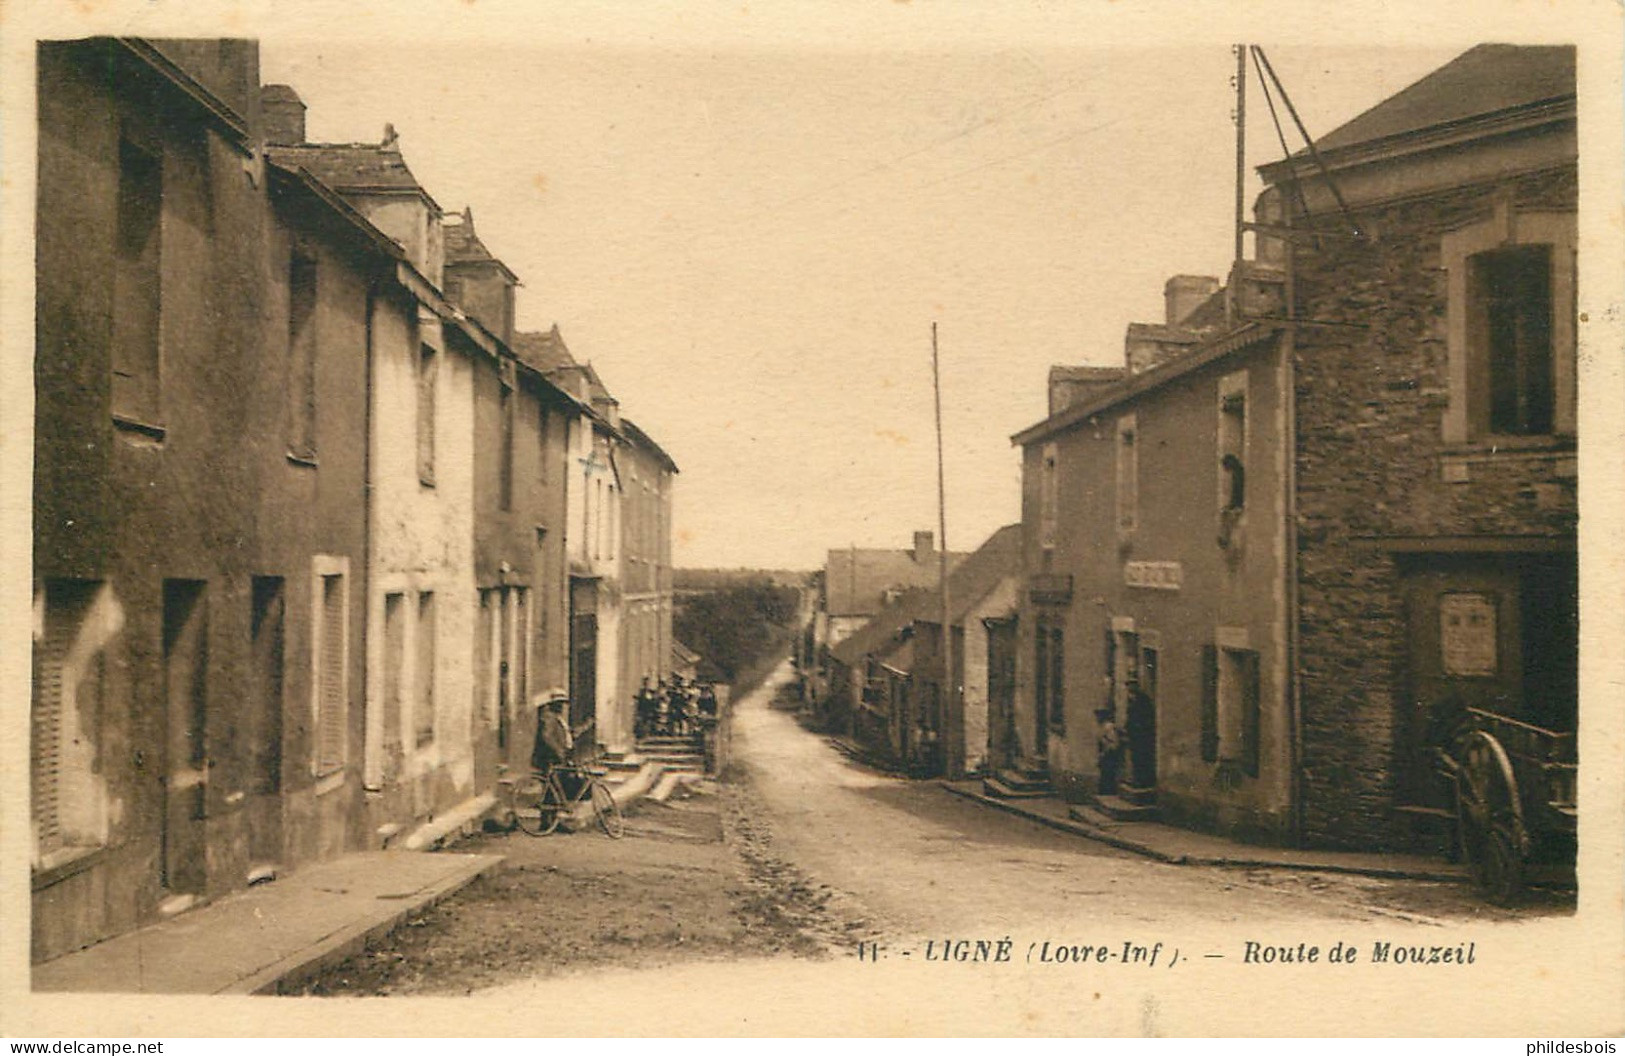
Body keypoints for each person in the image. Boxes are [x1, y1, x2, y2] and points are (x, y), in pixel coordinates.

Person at [531, 688, 592, 799]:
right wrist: (559, 751)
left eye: (562, 703)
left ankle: (554, 808)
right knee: (555, 785)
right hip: (549, 757)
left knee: (557, 786)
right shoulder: (549, 717)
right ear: (552, 704)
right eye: (558, 703)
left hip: (560, 756)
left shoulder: (558, 718)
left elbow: (569, 733)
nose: (561, 706)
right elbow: (547, 737)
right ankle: (549, 810)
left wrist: (584, 727)